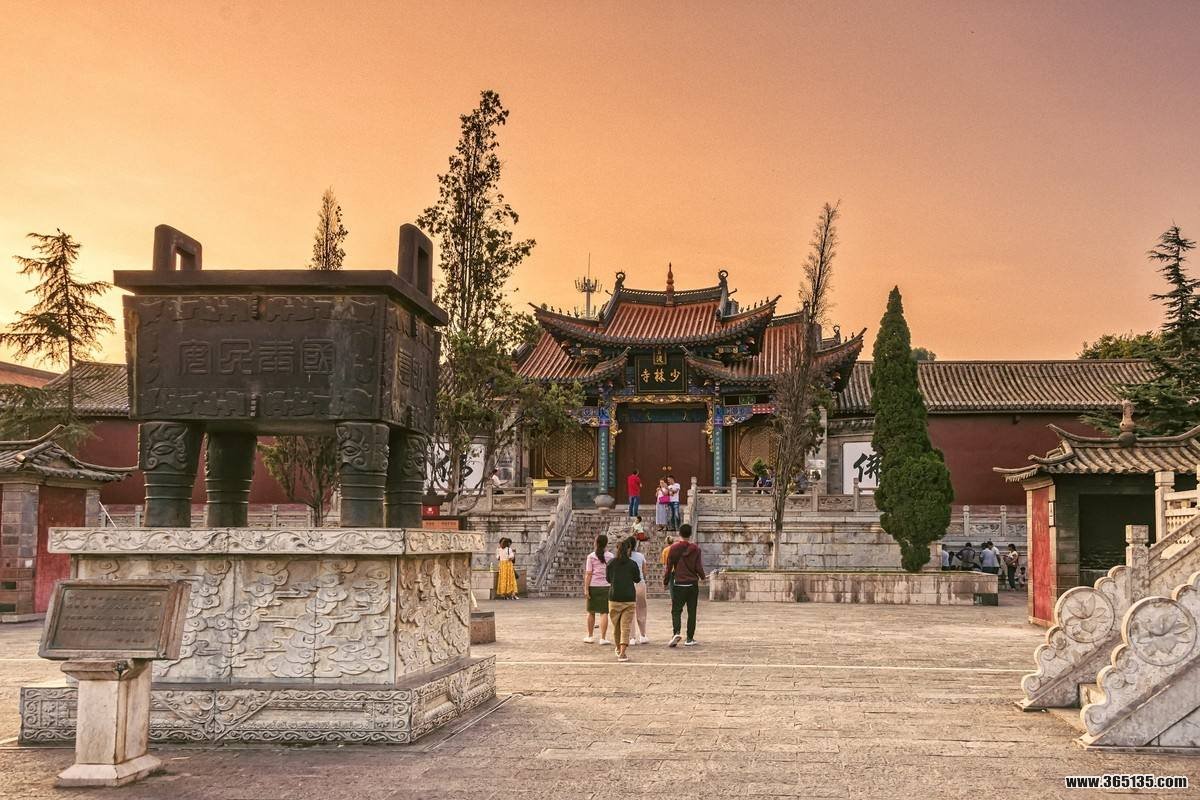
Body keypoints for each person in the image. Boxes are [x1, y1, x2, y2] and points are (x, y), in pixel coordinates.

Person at [663, 523, 706, 647]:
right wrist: (703, 577)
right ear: (690, 534)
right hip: (692, 584)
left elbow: (669, 568)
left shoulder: (673, 548)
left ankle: (676, 632)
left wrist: (666, 582)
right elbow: (698, 567)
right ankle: (690, 638)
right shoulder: (696, 549)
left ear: (679, 534)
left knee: (676, 610)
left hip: (679, 583)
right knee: (692, 612)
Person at [605, 538, 642, 662]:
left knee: (616, 626)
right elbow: (637, 579)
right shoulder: (632, 564)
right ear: (628, 549)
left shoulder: (611, 563)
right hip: (629, 597)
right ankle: (622, 652)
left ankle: (618, 647)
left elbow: (608, 579)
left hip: (614, 597)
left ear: (617, 549)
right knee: (625, 626)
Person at [583, 534, 613, 645]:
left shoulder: (591, 556)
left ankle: (590, 636)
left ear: (596, 543)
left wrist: (586, 588)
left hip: (593, 586)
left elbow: (588, 574)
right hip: (606, 586)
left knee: (591, 612)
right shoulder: (611, 556)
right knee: (604, 612)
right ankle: (603, 638)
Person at [627, 536, 649, 644]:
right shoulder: (640, 556)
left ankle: (632, 637)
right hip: (640, 583)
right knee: (642, 610)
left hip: (628, 585)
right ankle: (643, 635)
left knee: (629, 611)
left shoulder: (625, 557)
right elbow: (644, 571)